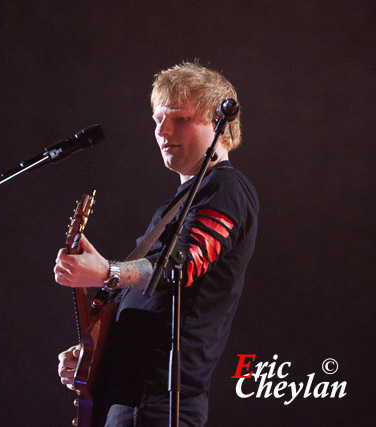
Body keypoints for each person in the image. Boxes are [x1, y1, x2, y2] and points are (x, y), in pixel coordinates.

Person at [54, 62, 259, 427]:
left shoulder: (226, 188)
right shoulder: (177, 204)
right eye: (157, 119)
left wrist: (106, 271)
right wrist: (94, 357)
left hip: (157, 403)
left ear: (219, 123)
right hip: (130, 398)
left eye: (179, 119)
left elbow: (180, 266)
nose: (162, 131)